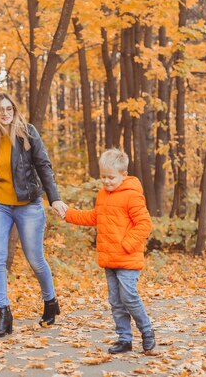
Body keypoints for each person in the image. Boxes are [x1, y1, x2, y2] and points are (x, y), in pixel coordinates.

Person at [0, 92, 68, 338]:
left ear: (14, 110)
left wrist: (54, 198)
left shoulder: (27, 132)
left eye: (9, 109)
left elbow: (43, 165)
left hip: (28, 204)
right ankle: (3, 315)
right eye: (1, 110)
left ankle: (50, 301)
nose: (6, 114)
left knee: (36, 260)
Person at [63, 149, 156, 354]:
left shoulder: (132, 195)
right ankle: (124, 339)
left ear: (124, 174)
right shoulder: (103, 195)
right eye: (103, 177)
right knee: (116, 301)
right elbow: (93, 217)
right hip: (109, 259)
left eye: (111, 177)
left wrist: (127, 245)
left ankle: (147, 331)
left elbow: (144, 223)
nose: (106, 181)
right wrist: (69, 214)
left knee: (129, 296)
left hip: (127, 258)